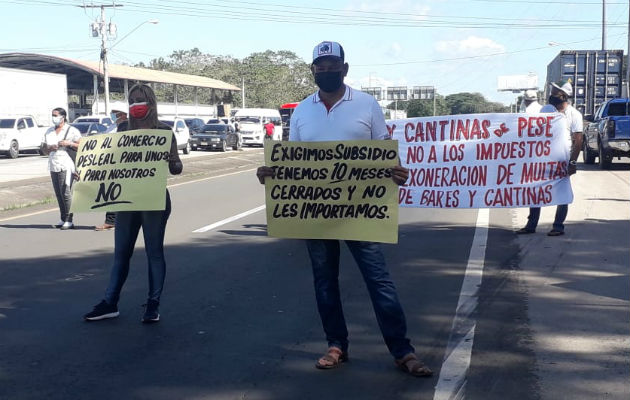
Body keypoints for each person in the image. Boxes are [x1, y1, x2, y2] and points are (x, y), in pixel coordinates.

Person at [256, 41, 432, 377]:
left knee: (378, 281)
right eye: (319, 67)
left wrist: (397, 170)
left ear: (345, 69)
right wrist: (269, 174)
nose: (325, 71)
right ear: (313, 71)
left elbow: (383, 148)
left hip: (361, 211)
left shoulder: (366, 105)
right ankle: (336, 345)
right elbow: (293, 160)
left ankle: (402, 351)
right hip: (316, 214)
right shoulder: (303, 110)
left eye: (331, 65)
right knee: (325, 282)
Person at [84, 84, 183, 323]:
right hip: (128, 199)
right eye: (132, 100)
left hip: (154, 199)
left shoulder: (164, 132)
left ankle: (153, 304)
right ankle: (110, 302)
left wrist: (172, 160)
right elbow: (109, 162)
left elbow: (177, 168)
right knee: (121, 254)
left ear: (151, 102)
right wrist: (87, 172)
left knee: (154, 253)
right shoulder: (122, 129)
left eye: (140, 99)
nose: (136, 104)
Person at [517, 80, 583, 236]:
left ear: (564, 96)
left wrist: (572, 162)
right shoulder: (546, 109)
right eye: (552, 93)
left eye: (555, 94)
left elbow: (578, 140)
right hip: (542, 158)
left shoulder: (575, 115)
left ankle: (558, 226)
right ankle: (531, 224)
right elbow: (536, 130)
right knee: (536, 189)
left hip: (562, 160)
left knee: (562, 192)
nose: (551, 96)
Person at [42, 107, 81, 230]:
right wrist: (49, 148)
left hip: (66, 163)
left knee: (66, 192)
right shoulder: (49, 131)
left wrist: (69, 143)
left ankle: (69, 219)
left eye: (56, 115)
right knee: (58, 193)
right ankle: (63, 217)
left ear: (62, 117)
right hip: (53, 164)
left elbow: (82, 146)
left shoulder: (71, 130)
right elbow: (43, 149)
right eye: (52, 115)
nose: (54, 118)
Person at [96, 108, 128, 231]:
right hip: (109, 164)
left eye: (116, 113)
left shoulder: (128, 127)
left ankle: (116, 220)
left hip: (121, 164)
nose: (113, 115)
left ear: (124, 114)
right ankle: (111, 220)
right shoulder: (111, 127)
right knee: (110, 192)